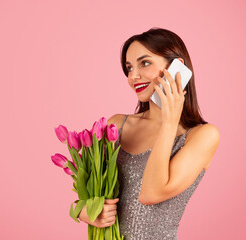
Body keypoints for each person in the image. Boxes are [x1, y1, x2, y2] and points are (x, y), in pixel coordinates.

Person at [77, 27, 220, 239]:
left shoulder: (202, 136)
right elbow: (86, 193)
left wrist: (169, 123)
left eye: (144, 63)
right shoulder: (117, 125)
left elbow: (151, 194)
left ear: (176, 68)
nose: (133, 76)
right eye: (129, 67)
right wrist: (85, 212)